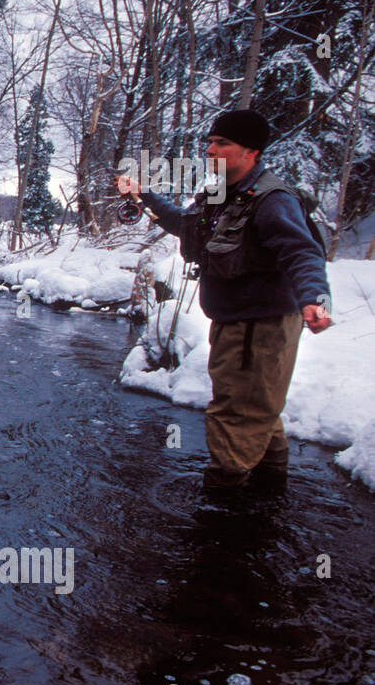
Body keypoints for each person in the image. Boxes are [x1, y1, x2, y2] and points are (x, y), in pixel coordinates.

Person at [116, 109, 333, 494]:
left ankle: (222, 510)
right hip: (232, 320)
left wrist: (315, 298)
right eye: (210, 142)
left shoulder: (273, 199)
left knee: (236, 411)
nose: (210, 149)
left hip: (261, 326)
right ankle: (269, 496)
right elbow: (185, 224)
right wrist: (143, 193)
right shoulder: (219, 191)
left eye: (222, 143)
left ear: (251, 151)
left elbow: (302, 253)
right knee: (258, 407)